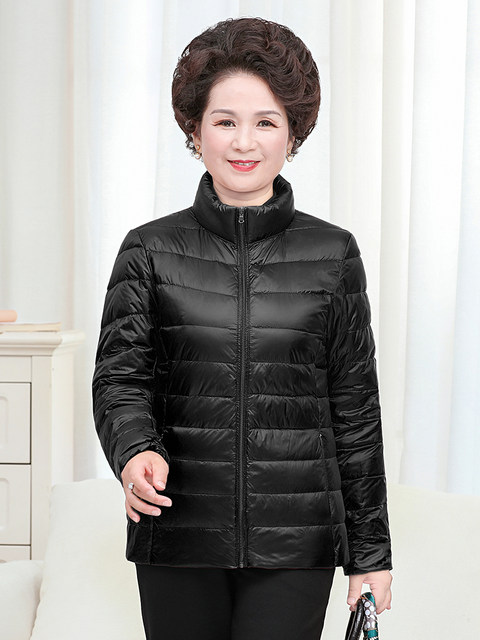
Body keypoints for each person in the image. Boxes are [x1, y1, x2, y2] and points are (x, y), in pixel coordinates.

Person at [92, 16, 393, 640]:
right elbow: (120, 381)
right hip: (177, 529)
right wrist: (134, 451)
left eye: (266, 122)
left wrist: (370, 555)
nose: (244, 142)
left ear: (293, 134)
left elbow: (356, 410)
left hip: (298, 541)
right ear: (195, 130)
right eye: (225, 121)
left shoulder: (334, 254)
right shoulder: (148, 250)